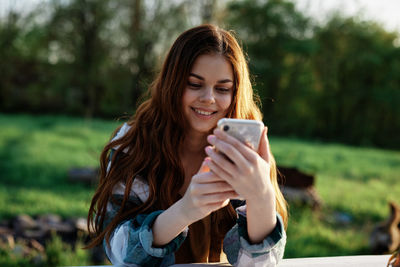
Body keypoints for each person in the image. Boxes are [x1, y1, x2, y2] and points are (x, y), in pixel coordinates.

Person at [86, 24, 288, 267]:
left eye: (223, 88)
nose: (208, 98)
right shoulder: (135, 145)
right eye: (194, 84)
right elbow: (120, 253)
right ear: (172, 83)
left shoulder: (244, 151)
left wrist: (261, 197)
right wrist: (186, 210)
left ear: (236, 93)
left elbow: (258, 264)